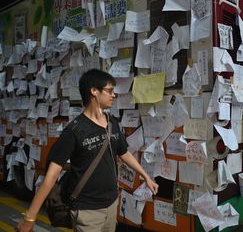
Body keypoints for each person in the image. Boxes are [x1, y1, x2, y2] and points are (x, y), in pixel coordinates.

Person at [16, 69, 159, 232]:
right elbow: (51, 176)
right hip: (86, 211)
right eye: (110, 91)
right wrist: (30, 218)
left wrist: (146, 176)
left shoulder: (111, 123)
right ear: (94, 91)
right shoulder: (74, 131)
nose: (113, 95)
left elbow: (123, 152)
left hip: (111, 205)